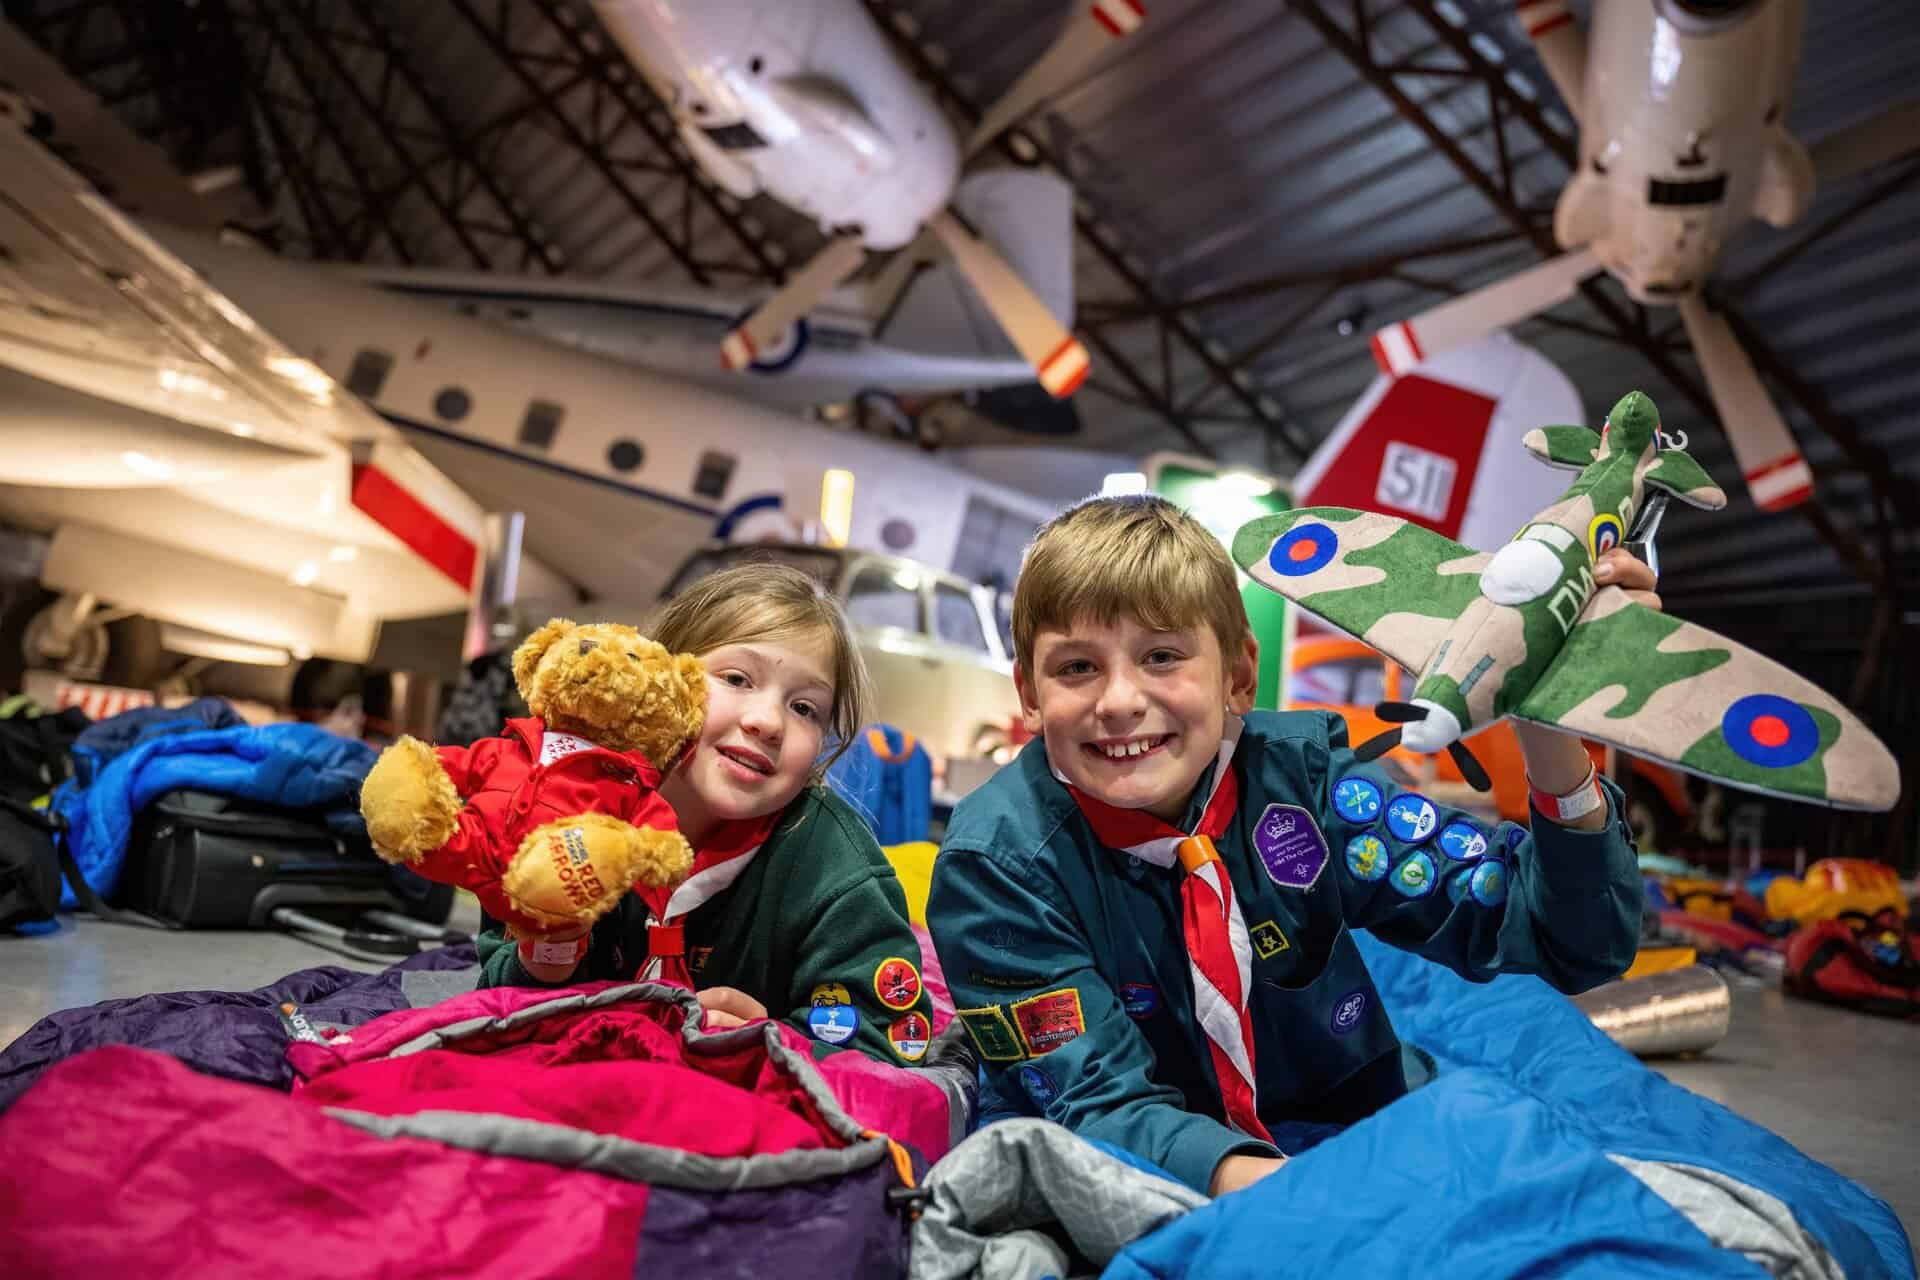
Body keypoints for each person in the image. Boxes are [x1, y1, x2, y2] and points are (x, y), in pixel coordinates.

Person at [927, 495, 1651, 1197]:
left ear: (1239, 676)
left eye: (1161, 656)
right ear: (1030, 694)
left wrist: (1548, 717)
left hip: (1352, 1123)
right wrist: (1303, 1194)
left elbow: (1571, 940)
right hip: (1176, 1174)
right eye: (1076, 668)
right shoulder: (996, 870)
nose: (1118, 701)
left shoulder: (1305, 784)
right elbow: (1096, 1107)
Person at [474, 563, 937, 1065]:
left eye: (805, 708)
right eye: (737, 679)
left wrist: (774, 1043)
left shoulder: (838, 869)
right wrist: (547, 954)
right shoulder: (559, 806)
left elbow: (892, 1041)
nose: (767, 721)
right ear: (661, 675)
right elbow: (490, 995)